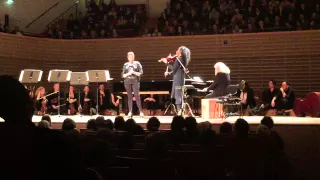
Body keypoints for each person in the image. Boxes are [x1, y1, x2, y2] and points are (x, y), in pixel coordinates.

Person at [159, 46, 191, 114]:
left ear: (180, 52)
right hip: (181, 78)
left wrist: (166, 62)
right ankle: (180, 111)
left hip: (177, 79)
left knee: (177, 95)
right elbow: (177, 70)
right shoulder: (183, 59)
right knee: (179, 94)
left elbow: (174, 70)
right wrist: (168, 72)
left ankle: (179, 112)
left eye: (177, 50)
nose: (176, 51)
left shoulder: (179, 58)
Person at [122, 51, 144, 117]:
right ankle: (130, 111)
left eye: (132, 57)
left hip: (135, 81)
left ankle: (140, 111)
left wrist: (133, 72)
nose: (131, 58)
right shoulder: (126, 65)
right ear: (128, 58)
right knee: (129, 96)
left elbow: (141, 73)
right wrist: (128, 73)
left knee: (137, 96)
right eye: (130, 57)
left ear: (134, 57)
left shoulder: (137, 64)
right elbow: (123, 75)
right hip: (127, 81)